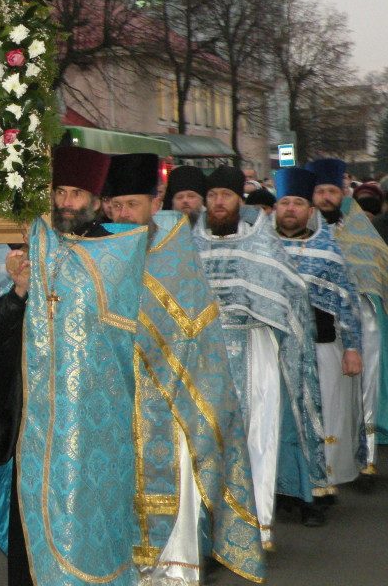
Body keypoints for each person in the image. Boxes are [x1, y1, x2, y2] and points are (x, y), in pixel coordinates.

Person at [0, 147, 264, 585]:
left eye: (77, 193)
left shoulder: (118, 248)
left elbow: (167, 329)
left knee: (106, 537)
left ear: (96, 199)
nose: (67, 202)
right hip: (41, 428)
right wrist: (18, 295)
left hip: (107, 427)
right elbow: (9, 331)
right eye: (60, 192)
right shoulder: (38, 246)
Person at [103, 154, 263, 569]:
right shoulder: (96, 251)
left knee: (176, 490)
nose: (121, 214)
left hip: (171, 395)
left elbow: (193, 329)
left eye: (131, 205)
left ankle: (176, 569)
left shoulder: (176, 250)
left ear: (156, 205)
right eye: (114, 205)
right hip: (112, 395)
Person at [192, 165, 324, 549]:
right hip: (203, 357)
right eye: (213, 195)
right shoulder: (190, 243)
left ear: (239, 200)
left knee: (256, 440)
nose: (218, 202)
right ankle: (210, 528)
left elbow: (292, 291)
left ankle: (253, 526)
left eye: (226, 196)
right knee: (207, 442)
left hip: (255, 349)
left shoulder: (261, 242)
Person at [307, 158, 388, 487]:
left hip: (362, 321)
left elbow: (382, 269)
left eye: (332, 191)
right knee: (322, 393)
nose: (326, 197)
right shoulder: (303, 232)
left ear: (343, 192)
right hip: (319, 325)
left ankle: (366, 458)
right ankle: (324, 463)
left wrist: (367, 293)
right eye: (320, 192)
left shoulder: (360, 229)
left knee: (365, 388)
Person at [274, 168, 364, 519]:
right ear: (275, 209)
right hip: (275, 349)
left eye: (299, 202)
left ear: (310, 210)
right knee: (281, 424)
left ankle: (317, 491)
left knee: (321, 421)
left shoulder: (328, 248)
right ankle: (285, 488)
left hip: (321, 346)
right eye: (285, 203)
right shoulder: (261, 248)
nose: (291, 209)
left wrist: (353, 347)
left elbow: (347, 300)